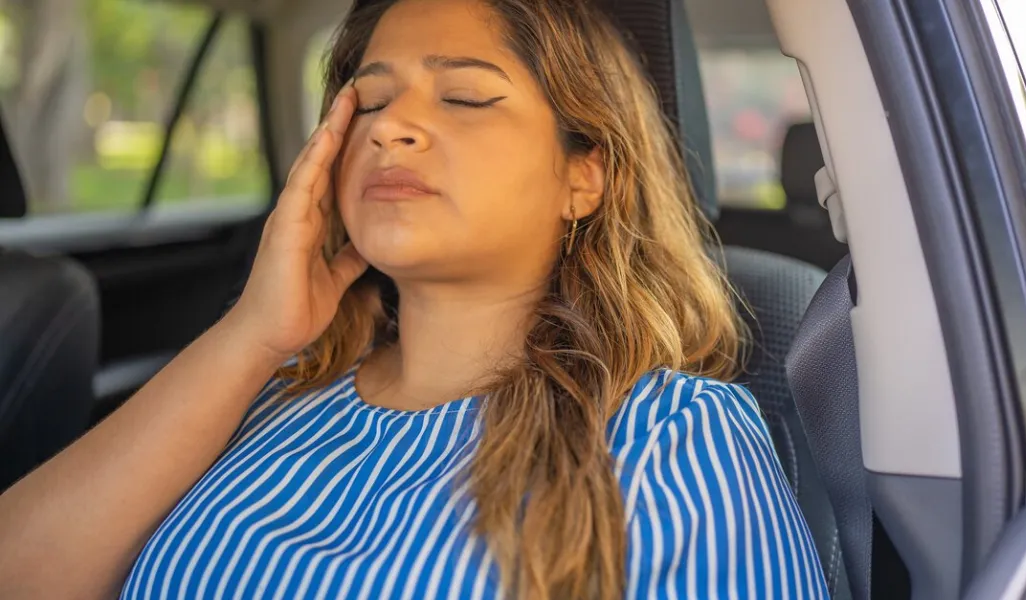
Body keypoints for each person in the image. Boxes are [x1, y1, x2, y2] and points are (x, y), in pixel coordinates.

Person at [0, 0, 830, 598]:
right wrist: (252, 334)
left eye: (465, 96)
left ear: (584, 174)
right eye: (369, 99)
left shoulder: (670, 439)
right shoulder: (267, 391)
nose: (391, 127)